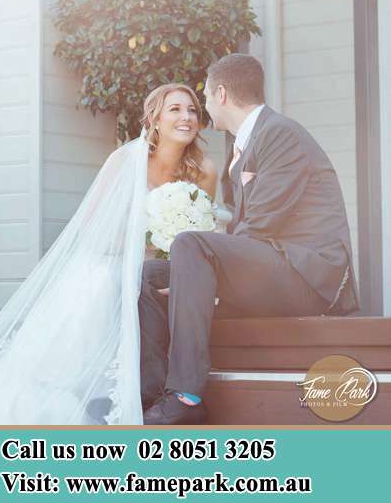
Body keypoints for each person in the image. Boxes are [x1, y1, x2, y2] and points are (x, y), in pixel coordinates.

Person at [0, 84, 215, 426]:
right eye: (176, 109)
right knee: (104, 283)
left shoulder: (203, 170)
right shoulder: (125, 160)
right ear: (155, 118)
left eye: (192, 110)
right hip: (112, 259)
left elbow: (201, 235)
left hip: (162, 268)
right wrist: (149, 239)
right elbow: (93, 230)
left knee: (147, 283)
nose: (186, 117)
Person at [141, 54, 360, 425]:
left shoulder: (280, 133)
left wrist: (202, 276)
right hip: (274, 267)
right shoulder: (248, 142)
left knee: (191, 246)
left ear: (221, 94)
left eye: (205, 98)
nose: (204, 108)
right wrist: (192, 277)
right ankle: (151, 393)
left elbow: (258, 225)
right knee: (147, 275)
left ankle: (186, 396)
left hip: (309, 277)